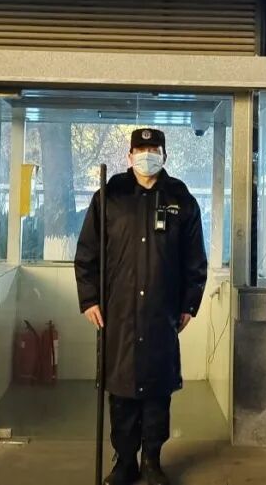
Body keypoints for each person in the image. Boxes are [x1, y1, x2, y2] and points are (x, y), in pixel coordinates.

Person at [75, 128, 208, 485]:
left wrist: (190, 304)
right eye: (141, 149)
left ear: (164, 155)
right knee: (121, 390)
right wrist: (89, 299)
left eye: (154, 149)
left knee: (157, 391)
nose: (147, 155)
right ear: (129, 155)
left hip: (162, 313)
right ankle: (125, 462)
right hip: (118, 313)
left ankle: (152, 460)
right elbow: (87, 253)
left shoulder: (180, 198)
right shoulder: (110, 195)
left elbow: (195, 260)